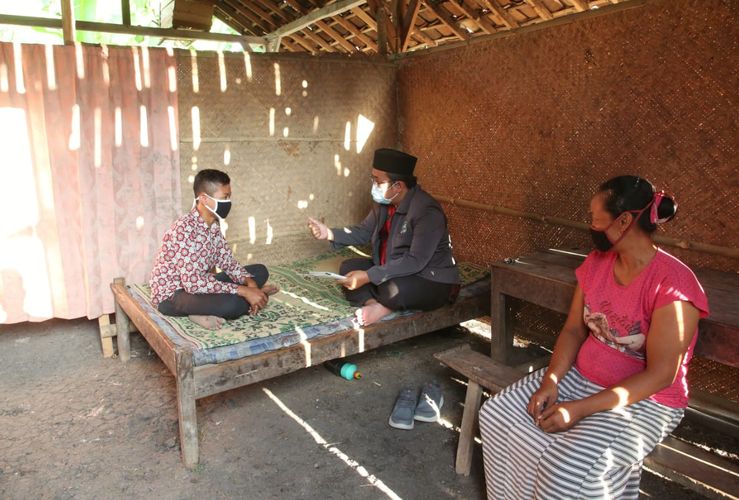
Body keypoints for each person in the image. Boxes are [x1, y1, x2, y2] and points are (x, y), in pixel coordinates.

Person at [479, 175, 709, 499]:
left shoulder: (673, 286)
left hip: (646, 401)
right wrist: (551, 382)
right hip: (581, 378)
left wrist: (579, 409)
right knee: (497, 417)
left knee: (567, 471)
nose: (591, 225)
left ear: (624, 220)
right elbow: (574, 329)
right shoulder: (597, 262)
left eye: (595, 218)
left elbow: (660, 376)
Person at [307, 148, 460, 326]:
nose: (374, 185)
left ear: (398, 186)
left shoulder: (426, 211)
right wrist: (329, 233)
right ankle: (374, 305)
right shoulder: (384, 204)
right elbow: (363, 231)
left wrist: (369, 276)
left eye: (378, 181)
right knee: (348, 268)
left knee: (392, 288)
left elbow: (415, 261)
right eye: (373, 179)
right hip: (392, 267)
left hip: (430, 279)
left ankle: (382, 308)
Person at [149, 169, 277, 330]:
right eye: (224, 198)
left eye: (229, 197)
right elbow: (192, 284)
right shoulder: (183, 230)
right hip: (174, 294)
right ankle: (256, 296)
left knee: (259, 271)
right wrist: (243, 291)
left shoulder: (213, 226)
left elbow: (228, 263)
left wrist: (249, 284)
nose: (228, 202)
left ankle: (255, 294)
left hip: (202, 283)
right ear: (204, 199)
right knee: (234, 305)